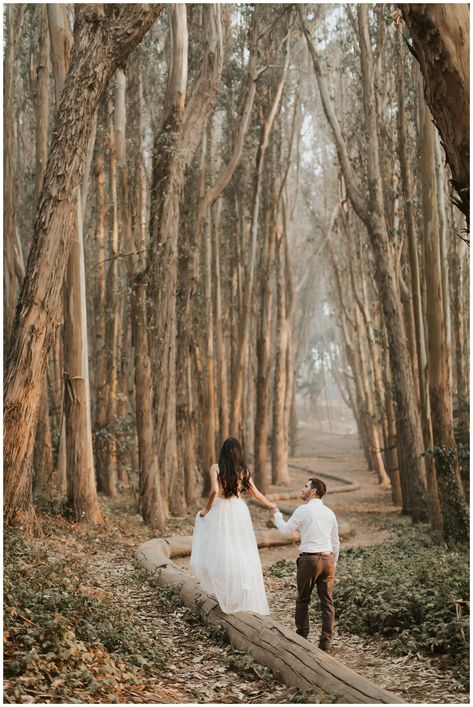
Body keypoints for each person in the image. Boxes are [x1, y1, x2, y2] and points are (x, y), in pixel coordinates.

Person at [190, 437, 277, 615]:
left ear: (223, 451)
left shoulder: (215, 467)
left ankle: (226, 590)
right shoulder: (243, 470)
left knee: (220, 548)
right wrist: (270, 505)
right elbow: (255, 493)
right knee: (240, 548)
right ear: (239, 452)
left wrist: (206, 510)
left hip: (221, 510)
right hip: (238, 510)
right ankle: (242, 588)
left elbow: (214, 491)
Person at [272, 477, 339, 651]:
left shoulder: (303, 510)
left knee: (303, 600)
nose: (302, 489)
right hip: (328, 560)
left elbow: (286, 530)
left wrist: (277, 514)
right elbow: (335, 542)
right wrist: (333, 562)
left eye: (305, 486)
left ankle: (302, 637)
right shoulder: (330, 513)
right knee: (327, 602)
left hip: (309, 560)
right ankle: (326, 641)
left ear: (314, 491)